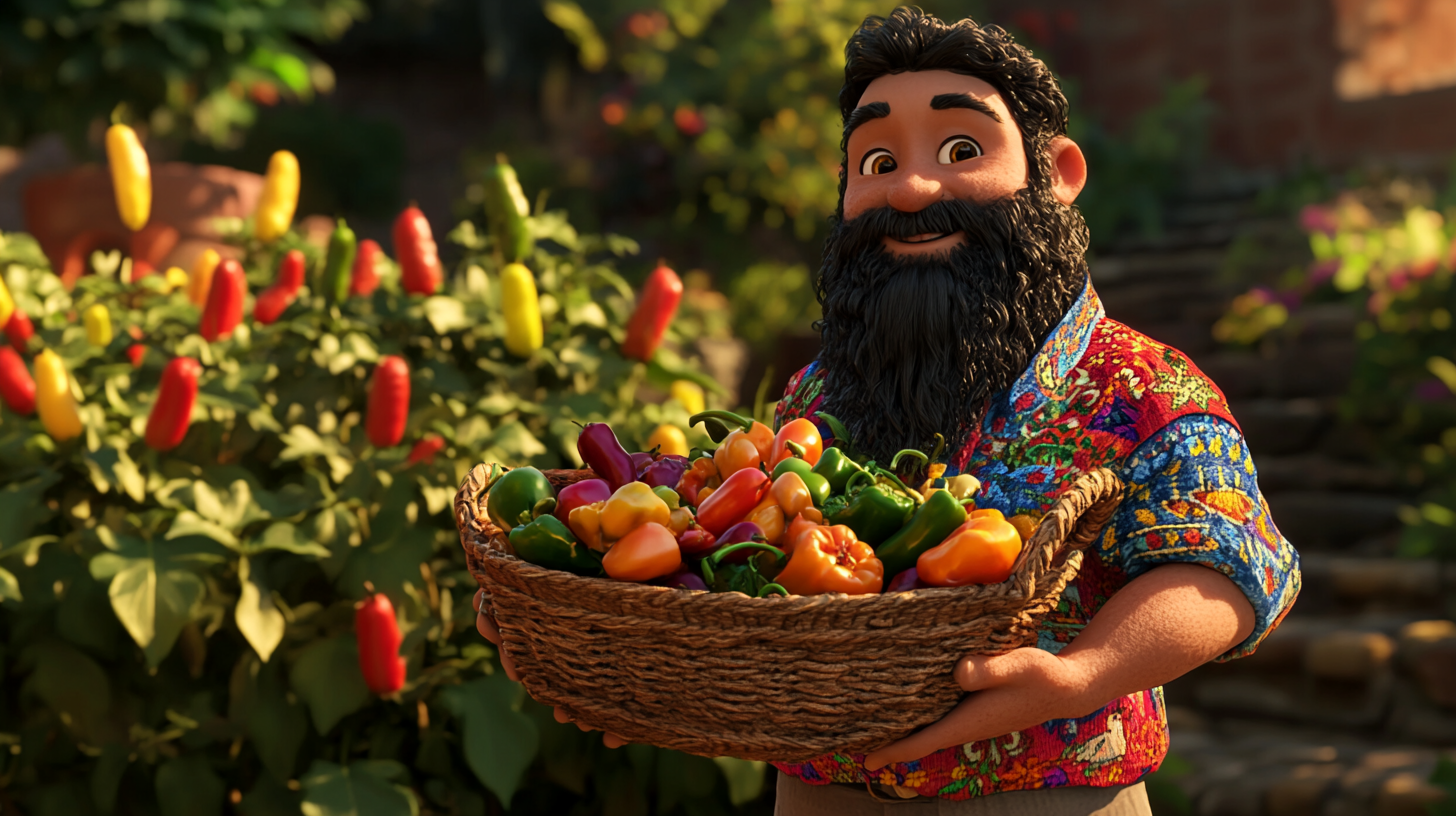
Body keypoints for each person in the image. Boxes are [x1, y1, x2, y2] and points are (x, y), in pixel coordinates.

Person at [480, 8, 1300, 815]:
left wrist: (1080, 676)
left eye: (961, 150)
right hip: (824, 791)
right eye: (875, 160)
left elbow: (1229, 566)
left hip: (1050, 794)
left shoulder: (1141, 385)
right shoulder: (814, 396)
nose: (911, 187)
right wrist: (651, 680)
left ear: (1058, 174)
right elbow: (746, 585)